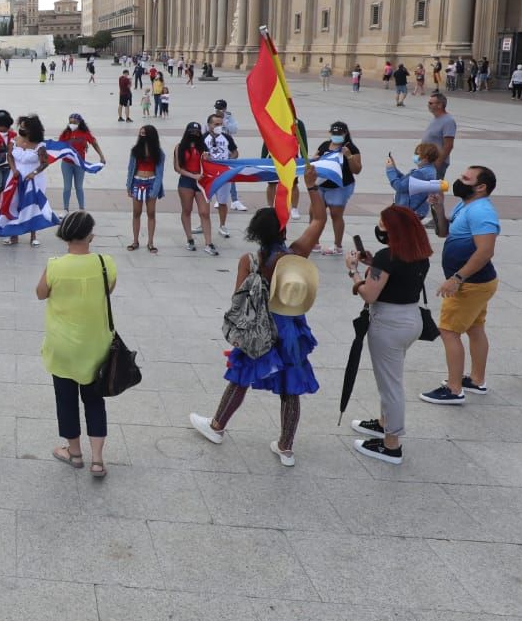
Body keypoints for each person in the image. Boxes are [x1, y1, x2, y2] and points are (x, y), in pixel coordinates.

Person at [189, 167, 327, 465]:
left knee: (240, 378)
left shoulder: (248, 261)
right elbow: (319, 219)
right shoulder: (294, 255)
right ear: (282, 229)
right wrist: (312, 186)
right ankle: (286, 447)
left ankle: (217, 426)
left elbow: (239, 297)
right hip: (289, 328)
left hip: (258, 329)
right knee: (291, 385)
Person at [346, 204, 433, 465]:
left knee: (390, 385)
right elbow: (396, 277)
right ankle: (384, 423)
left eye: (383, 224)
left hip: (389, 323)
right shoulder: (419, 253)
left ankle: (391, 444)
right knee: (391, 376)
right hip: (411, 319)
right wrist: (373, 265)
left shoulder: (387, 256)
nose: (379, 228)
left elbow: (369, 293)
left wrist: (354, 272)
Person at [38, 210, 116, 477]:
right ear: (90, 235)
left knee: (66, 400)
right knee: (95, 401)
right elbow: (110, 289)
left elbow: (40, 293)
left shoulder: (55, 265)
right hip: (96, 346)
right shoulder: (105, 263)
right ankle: (97, 460)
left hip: (63, 347)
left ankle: (74, 452)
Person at [421, 166, 501, 405]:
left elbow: (486, 251)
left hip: (471, 284)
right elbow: (444, 232)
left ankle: (454, 389)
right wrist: (437, 207)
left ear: (481, 187)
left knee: (448, 331)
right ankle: (476, 380)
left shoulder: (482, 211)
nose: (459, 180)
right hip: (478, 282)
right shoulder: (465, 205)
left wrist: (457, 278)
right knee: (475, 328)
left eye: (466, 178)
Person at [3, 115, 54, 247]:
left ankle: (33, 236)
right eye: (21, 126)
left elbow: (45, 163)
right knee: (14, 203)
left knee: (32, 205)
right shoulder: (14, 140)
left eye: (25, 127)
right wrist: (13, 169)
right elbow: (9, 156)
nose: (22, 129)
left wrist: (33, 173)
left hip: (34, 180)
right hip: (15, 177)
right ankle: (13, 235)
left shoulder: (39, 145)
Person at [315, 120, 363, 255]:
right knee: (315, 212)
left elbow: (357, 169)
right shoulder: (325, 145)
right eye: (334, 133)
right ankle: (314, 242)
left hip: (340, 186)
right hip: (321, 184)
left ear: (345, 133)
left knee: (336, 214)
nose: (336, 136)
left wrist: (349, 156)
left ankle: (338, 245)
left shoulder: (351, 148)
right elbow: (315, 159)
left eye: (339, 133)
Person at [172, 121, 217, 256]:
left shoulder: (203, 147)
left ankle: (208, 242)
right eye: (192, 131)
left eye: (197, 132)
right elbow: (177, 168)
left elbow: (210, 164)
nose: (195, 134)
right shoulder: (179, 147)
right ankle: (190, 238)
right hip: (186, 181)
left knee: (204, 212)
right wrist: (193, 175)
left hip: (201, 182)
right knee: (187, 210)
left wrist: (208, 159)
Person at [125, 124, 165, 253]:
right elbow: (131, 168)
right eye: (140, 133)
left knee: (151, 213)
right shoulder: (135, 150)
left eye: (144, 133)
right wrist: (129, 185)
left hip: (151, 182)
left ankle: (150, 242)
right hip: (137, 181)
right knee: (136, 212)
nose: (142, 135)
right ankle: (135, 241)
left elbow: (160, 173)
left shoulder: (159, 152)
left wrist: (156, 190)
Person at [58, 113, 105, 210]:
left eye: (74, 122)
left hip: (79, 164)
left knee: (79, 187)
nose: (72, 124)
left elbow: (94, 143)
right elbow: (58, 146)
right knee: (67, 187)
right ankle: (65, 209)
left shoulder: (85, 133)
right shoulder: (65, 133)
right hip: (67, 164)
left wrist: (101, 156)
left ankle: (81, 208)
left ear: (79, 122)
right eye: (70, 122)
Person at [203, 110, 238, 237]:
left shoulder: (227, 137)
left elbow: (235, 152)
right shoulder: (203, 138)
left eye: (220, 124)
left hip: (223, 174)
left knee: (222, 201)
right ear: (209, 125)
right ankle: (203, 223)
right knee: (205, 200)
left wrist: (230, 160)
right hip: (207, 175)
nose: (218, 127)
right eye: (216, 124)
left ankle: (222, 225)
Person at [386, 143, 443, 221]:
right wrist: (394, 168)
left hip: (409, 211)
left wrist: (390, 170)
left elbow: (400, 186)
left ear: (425, 158)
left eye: (417, 154)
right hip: (418, 211)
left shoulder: (420, 173)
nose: (415, 156)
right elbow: (405, 180)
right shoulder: (429, 170)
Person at [421, 92, 458, 179]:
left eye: (430, 103)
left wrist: (438, 162)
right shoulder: (436, 118)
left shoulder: (448, 121)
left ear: (440, 105)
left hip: (435, 162)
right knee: (430, 190)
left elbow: (448, 145)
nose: (428, 105)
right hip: (427, 161)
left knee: (434, 189)